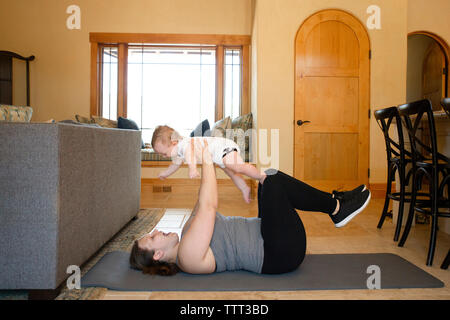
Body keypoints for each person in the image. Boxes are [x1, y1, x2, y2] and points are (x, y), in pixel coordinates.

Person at [130, 140, 371, 276]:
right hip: (278, 253)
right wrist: (204, 158)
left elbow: (205, 194)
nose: (157, 231)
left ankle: (335, 203)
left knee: (269, 177)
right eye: (152, 238)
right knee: (273, 182)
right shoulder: (187, 257)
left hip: (270, 235)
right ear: (158, 255)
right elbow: (210, 203)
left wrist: (212, 157)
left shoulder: (186, 236)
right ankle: (336, 208)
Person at [151, 125, 264, 203]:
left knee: (238, 167)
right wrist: (165, 173)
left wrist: (193, 169)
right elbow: (174, 165)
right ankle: (244, 188)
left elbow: (189, 153)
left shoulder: (184, 144)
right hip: (218, 155)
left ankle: (260, 176)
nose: (164, 156)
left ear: (174, 142)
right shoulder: (178, 152)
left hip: (223, 147)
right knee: (232, 172)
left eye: (164, 153)